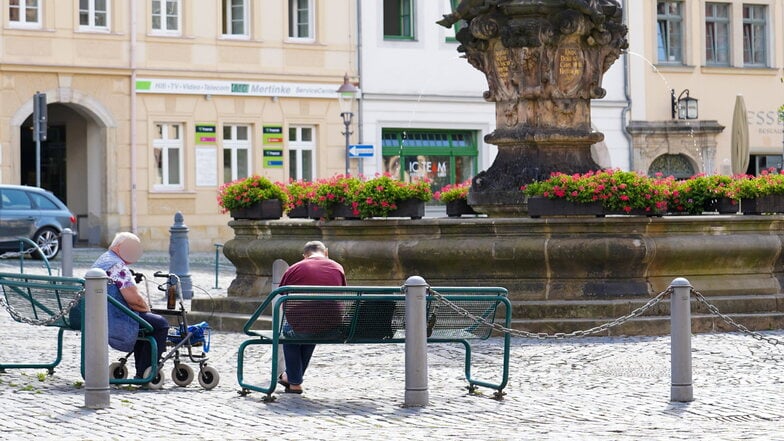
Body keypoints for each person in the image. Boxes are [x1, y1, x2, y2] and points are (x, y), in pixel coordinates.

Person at [92, 232, 169, 380]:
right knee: (159, 323)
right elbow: (134, 300)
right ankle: (146, 372)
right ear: (119, 247)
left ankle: (142, 371)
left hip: (100, 313)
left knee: (146, 321)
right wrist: (148, 311)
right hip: (112, 316)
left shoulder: (105, 259)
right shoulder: (117, 266)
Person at [277, 240, 346, 394]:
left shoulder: (295, 268)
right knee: (313, 327)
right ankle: (291, 378)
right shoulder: (337, 267)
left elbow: (281, 293)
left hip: (303, 326)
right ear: (326, 252)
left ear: (304, 256)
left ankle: (294, 382)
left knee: (290, 335)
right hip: (331, 327)